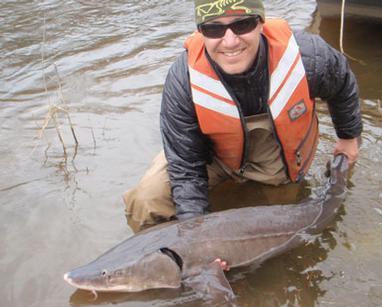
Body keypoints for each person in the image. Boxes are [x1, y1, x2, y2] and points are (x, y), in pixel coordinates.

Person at [123, 0, 362, 233]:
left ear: (260, 22)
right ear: (201, 32)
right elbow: (186, 169)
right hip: (213, 154)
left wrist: (348, 138)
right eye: (214, 29)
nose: (229, 41)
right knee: (146, 201)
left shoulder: (307, 55)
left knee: (281, 230)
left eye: (242, 25)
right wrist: (197, 235)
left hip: (276, 157)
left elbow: (342, 84)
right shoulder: (183, 79)